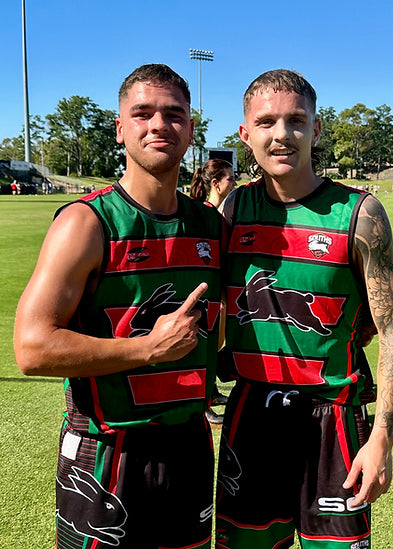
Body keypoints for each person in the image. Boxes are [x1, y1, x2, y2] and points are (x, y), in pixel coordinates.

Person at [14, 63, 226, 549]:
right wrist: (148, 350)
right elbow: (32, 347)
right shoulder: (86, 222)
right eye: (143, 112)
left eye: (174, 114)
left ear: (191, 130)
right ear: (120, 129)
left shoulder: (212, 227)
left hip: (190, 445)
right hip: (109, 449)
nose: (159, 124)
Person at [215, 69, 393, 549]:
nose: (281, 135)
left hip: (334, 421)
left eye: (296, 120)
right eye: (265, 122)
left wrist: (382, 439)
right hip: (251, 418)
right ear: (245, 135)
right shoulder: (233, 212)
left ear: (316, 129)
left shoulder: (360, 214)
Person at [190, 158, 236, 424]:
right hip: (206, 295)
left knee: (214, 345)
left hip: (218, 293)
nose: (235, 182)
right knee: (205, 346)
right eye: (230, 178)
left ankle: (212, 391)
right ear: (216, 184)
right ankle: (202, 403)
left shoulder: (221, 213)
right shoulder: (205, 214)